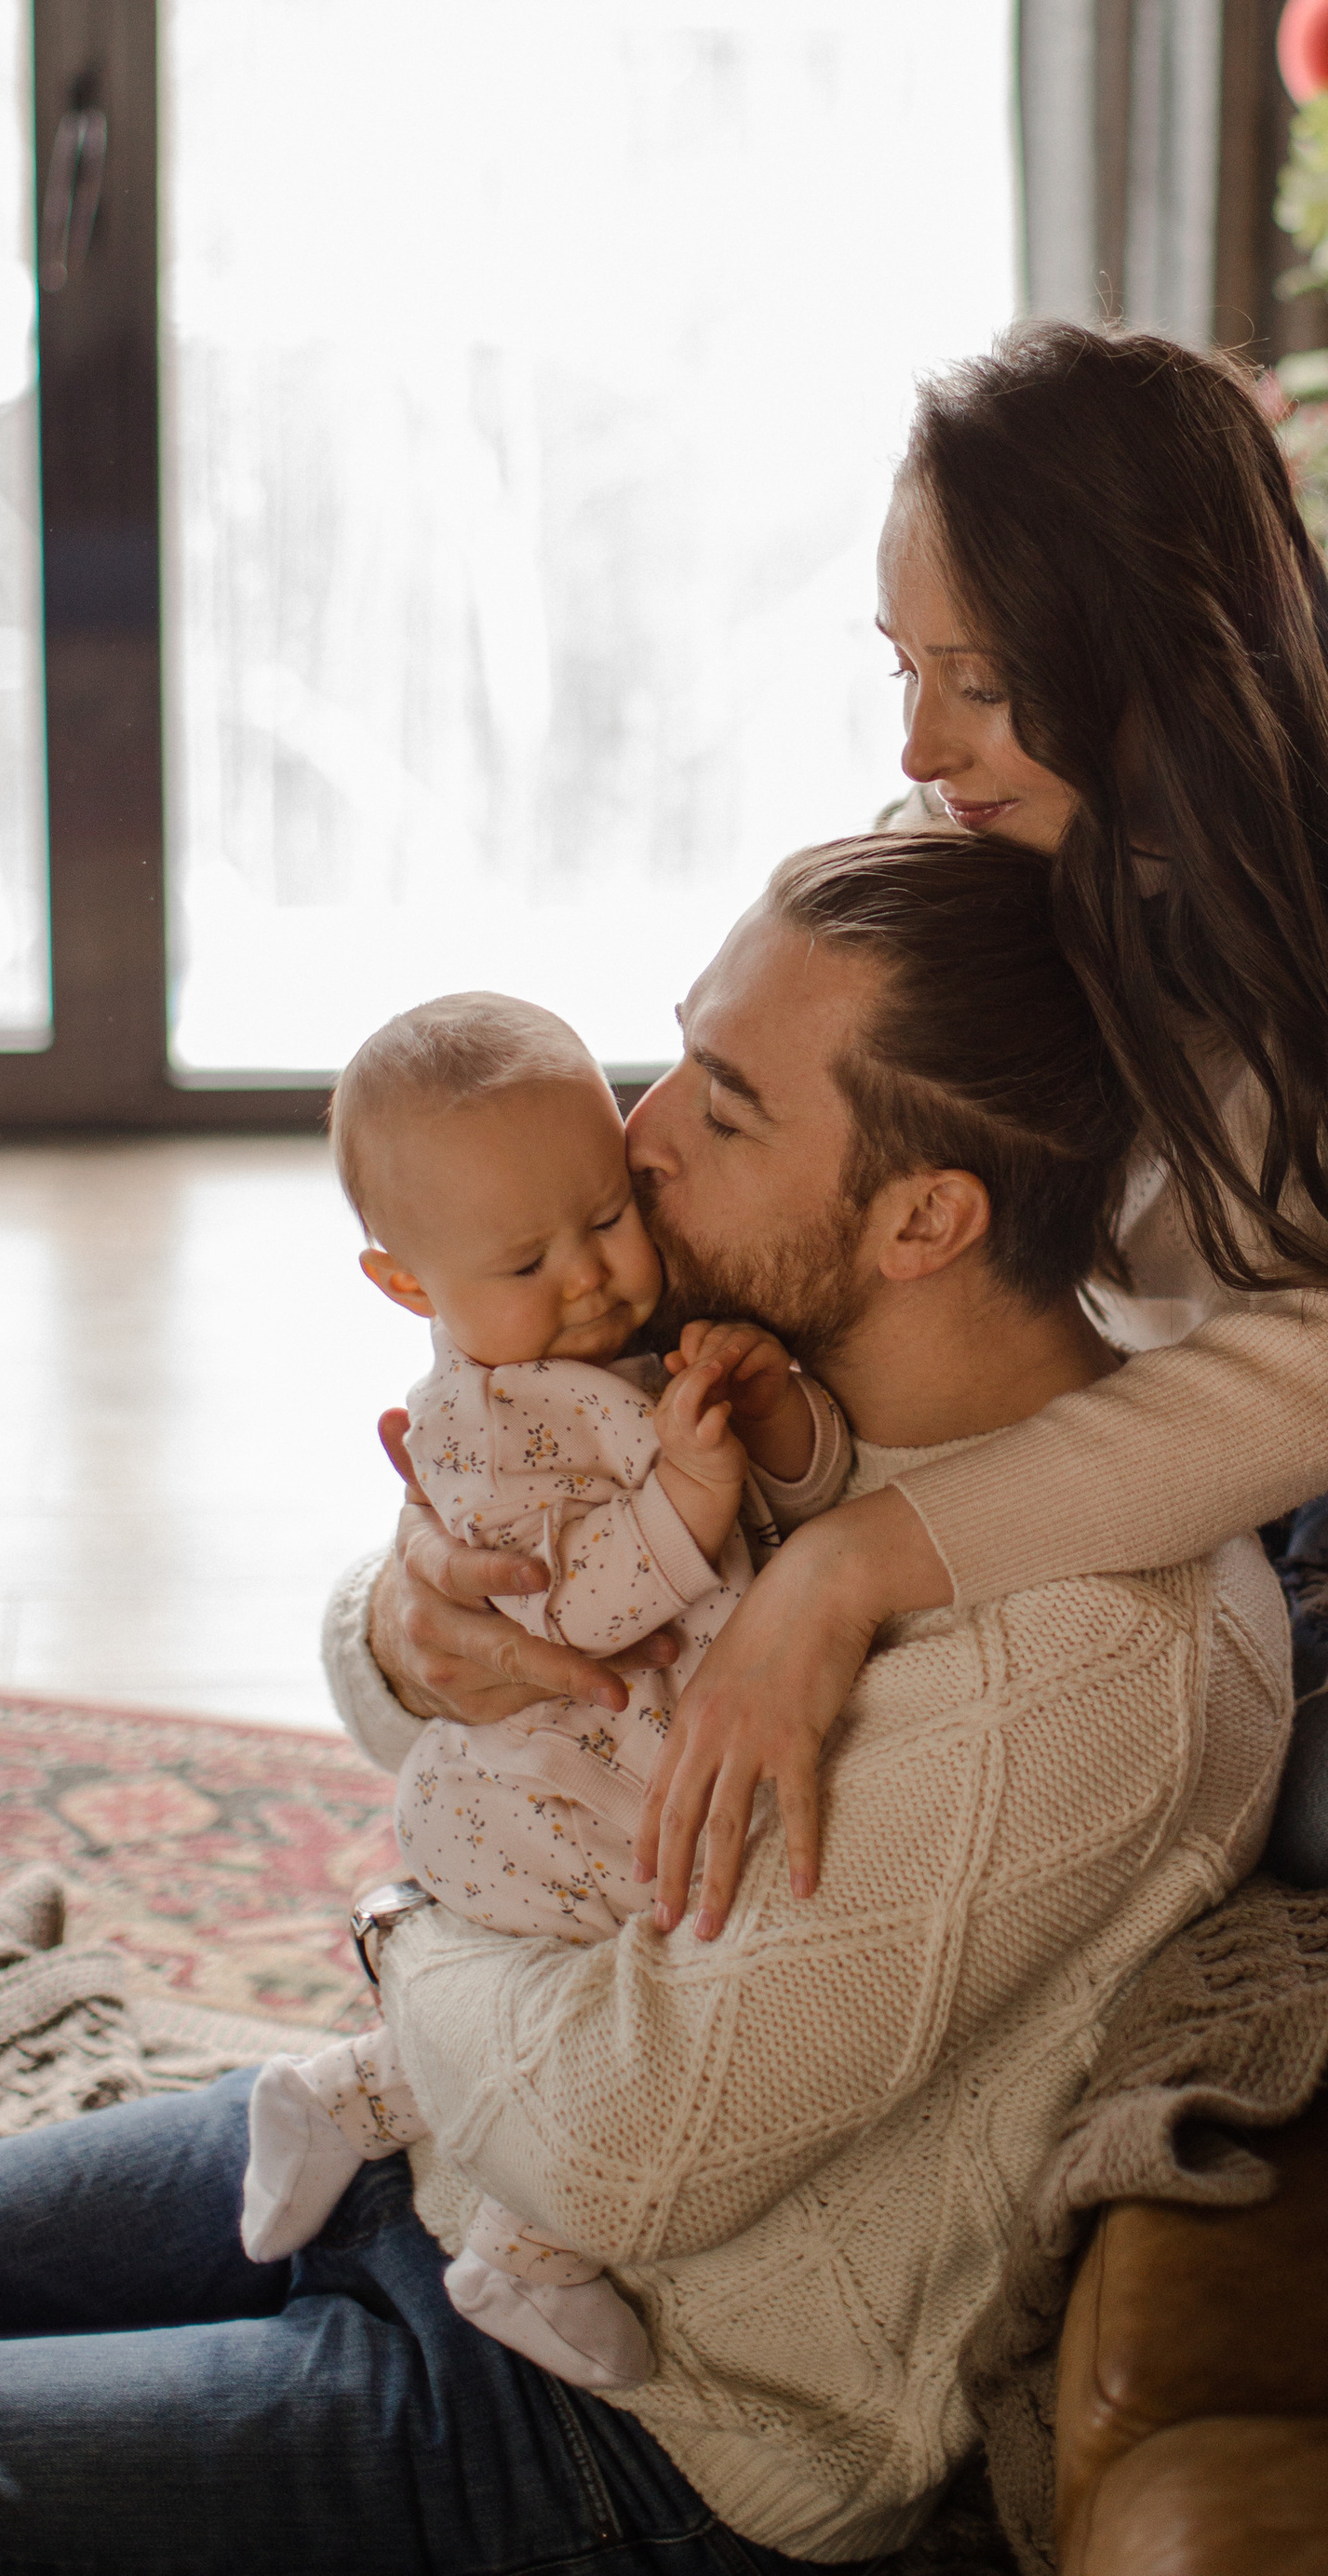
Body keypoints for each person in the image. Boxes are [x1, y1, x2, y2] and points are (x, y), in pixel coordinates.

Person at [0, 836, 1290, 2576]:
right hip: (421, 2140)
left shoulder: (1100, 1666)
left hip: (634, 2414)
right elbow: (440, 1690)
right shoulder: (750, 1355)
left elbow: (620, 2151)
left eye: (724, 1107)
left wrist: (399, 1938)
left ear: (924, 1219)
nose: (639, 1140)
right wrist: (413, 1628)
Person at [369, 324, 1328, 1915]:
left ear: (1164, 648)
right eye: (904, 668)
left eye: (983, 683)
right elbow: (761, 1196)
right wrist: (417, 1598)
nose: (918, 747)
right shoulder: (971, 835)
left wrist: (849, 1564)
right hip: (1166, 1385)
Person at [238, 987, 851, 2396]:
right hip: (550, 1792)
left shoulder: (622, 1334)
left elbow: (809, 1491)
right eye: (527, 1259)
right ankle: (527, 2253)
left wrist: (775, 1423)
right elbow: (561, 1611)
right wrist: (690, 1495)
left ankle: (337, 2100)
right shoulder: (480, 1420)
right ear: (409, 1288)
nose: (592, 1277)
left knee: (615, 1993)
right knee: (623, 1989)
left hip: (624, 1762)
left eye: (608, 1215)